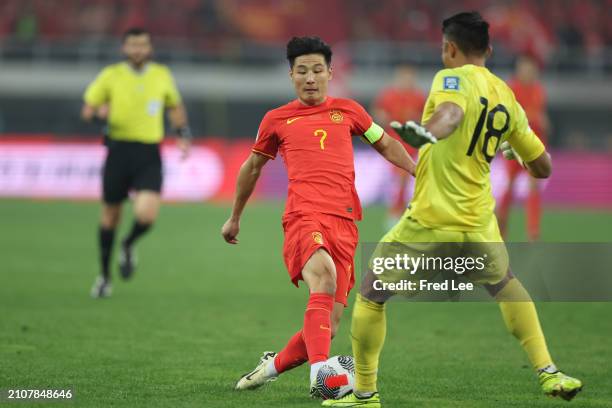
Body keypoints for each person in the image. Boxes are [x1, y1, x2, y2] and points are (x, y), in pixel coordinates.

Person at [324, 12, 581, 407]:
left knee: (372, 293)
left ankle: (364, 394)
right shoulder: (506, 94)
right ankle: (549, 372)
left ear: (449, 48)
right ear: (489, 50)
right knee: (506, 286)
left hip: (432, 215)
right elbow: (543, 167)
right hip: (479, 219)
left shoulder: (451, 78)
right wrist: (516, 150)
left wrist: (431, 132)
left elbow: (452, 113)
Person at [221, 36, 415, 396]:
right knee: (323, 277)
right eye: (301, 71)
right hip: (303, 215)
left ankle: (269, 367)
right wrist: (235, 216)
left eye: (316, 70)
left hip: (344, 222)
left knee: (330, 323)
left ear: (329, 72)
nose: (310, 78)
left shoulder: (351, 111)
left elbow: (385, 142)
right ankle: (322, 380)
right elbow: (251, 167)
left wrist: (418, 171)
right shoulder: (277, 119)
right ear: (291, 75)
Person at [82, 27, 192, 298]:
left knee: (147, 215)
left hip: (148, 153)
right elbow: (88, 110)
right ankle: (105, 277)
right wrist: (100, 116)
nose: (138, 50)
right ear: (124, 48)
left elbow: (174, 107)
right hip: (118, 151)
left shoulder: (161, 75)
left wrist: (182, 133)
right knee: (110, 216)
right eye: (132, 45)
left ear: (150, 48)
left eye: (142, 45)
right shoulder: (111, 75)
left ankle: (128, 244)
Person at [497, 55, 550, 241]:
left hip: (534, 143)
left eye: (530, 68)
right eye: (524, 68)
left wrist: (543, 122)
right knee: (510, 186)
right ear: (518, 69)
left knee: (533, 186)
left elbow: (539, 116)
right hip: (514, 143)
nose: (527, 72)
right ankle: (500, 228)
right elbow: (508, 116)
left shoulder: (538, 89)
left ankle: (533, 231)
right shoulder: (510, 88)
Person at [371, 65, 426, 227]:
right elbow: (377, 112)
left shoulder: (418, 96)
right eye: (404, 77)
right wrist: (382, 117)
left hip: (410, 142)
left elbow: (425, 116)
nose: (406, 80)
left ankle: (397, 212)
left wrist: (415, 118)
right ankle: (396, 212)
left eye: (409, 77)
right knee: (399, 178)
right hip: (392, 142)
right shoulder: (389, 95)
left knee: (404, 179)